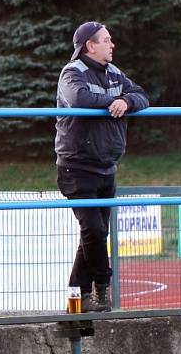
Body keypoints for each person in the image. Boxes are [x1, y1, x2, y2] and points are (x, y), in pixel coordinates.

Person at [56, 21, 149, 311]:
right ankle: (101, 289)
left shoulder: (115, 72)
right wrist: (116, 102)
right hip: (77, 166)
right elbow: (79, 98)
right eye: (107, 40)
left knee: (94, 233)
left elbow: (142, 95)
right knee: (94, 231)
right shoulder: (72, 73)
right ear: (90, 46)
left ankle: (77, 298)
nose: (113, 45)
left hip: (106, 166)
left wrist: (126, 101)